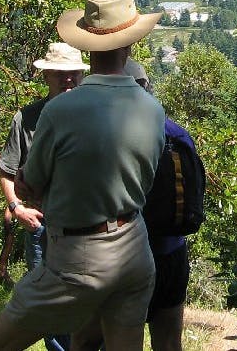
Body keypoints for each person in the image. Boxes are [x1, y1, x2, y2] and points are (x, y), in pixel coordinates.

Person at [0, 0, 166, 351]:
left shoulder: (60, 111)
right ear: (130, 43)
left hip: (78, 256)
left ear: (88, 44)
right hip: (136, 251)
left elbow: (29, 182)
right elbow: (147, 178)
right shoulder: (151, 109)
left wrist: (34, 189)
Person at [71, 60, 196, 351]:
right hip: (172, 250)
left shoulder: (106, 133)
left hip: (119, 251)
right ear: (147, 86)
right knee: (167, 342)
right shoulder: (176, 133)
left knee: (88, 339)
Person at [0, 42, 90, 351]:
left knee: (89, 305)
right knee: (49, 307)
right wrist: (16, 208)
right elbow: (7, 171)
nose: (68, 80)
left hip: (86, 229)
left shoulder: (94, 118)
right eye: (60, 74)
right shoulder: (26, 119)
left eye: (73, 74)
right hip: (41, 226)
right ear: (46, 75)